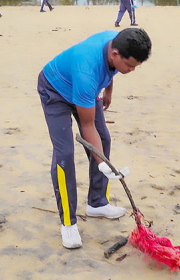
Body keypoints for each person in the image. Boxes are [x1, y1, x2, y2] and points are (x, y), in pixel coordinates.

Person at [38, 28, 151, 249]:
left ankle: (97, 203)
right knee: (65, 154)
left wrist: (108, 90)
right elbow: (87, 127)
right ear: (115, 55)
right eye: (130, 66)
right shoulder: (87, 72)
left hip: (84, 89)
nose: (131, 70)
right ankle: (68, 223)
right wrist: (104, 165)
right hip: (54, 89)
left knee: (105, 140)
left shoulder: (116, 41)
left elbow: (110, 71)